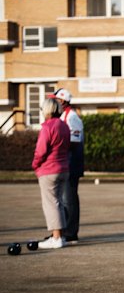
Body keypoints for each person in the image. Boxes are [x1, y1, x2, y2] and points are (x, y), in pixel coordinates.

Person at [32, 98, 70, 249]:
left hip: (49, 169)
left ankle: (56, 238)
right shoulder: (64, 126)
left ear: (47, 110)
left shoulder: (47, 127)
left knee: (50, 204)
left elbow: (41, 150)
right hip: (63, 168)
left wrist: (35, 165)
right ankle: (60, 235)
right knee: (58, 202)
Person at [51, 88, 84, 244]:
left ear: (62, 101)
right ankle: (63, 231)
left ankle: (71, 232)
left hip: (72, 163)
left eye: (56, 99)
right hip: (64, 162)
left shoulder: (72, 117)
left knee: (69, 199)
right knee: (62, 199)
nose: (53, 102)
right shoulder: (63, 116)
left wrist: (55, 146)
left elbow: (75, 141)